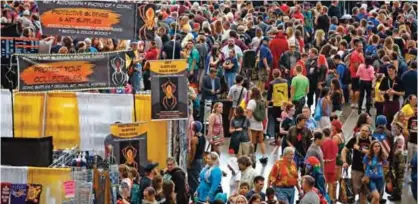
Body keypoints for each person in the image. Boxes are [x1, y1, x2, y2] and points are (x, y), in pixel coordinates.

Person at [342, 124, 375, 204]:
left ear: (369, 132)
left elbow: (374, 152)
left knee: (365, 192)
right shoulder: (355, 139)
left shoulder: (372, 140)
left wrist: (359, 148)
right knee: (354, 191)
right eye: (362, 130)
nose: (363, 132)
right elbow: (344, 150)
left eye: (366, 131)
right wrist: (344, 161)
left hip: (368, 170)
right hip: (356, 169)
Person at [246, 87, 268, 164]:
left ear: (253, 93)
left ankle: (252, 157)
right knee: (261, 141)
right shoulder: (262, 101)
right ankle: (264, 156)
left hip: (252, 124)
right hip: (260, 125)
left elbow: (249, 115)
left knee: (252, 142)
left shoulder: (251, 102)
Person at [267, 69, 288, 143]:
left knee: (276, 122)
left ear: (273, 75)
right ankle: (284, 138)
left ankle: (276, 139)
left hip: (276, 105)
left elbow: (269, 97)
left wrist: (268, 102)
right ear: (280, 74)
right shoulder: (286, 82)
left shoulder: (272, 83)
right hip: (285, 105)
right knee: (285, 121)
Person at [388, 122, 406, 202]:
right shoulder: (396, 137)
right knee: (395, 177)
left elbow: (399, 150)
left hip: (399, 159)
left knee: (398, 178)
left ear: (400, 129)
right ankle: (395, 194)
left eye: (395, 128)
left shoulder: (400, 138)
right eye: (393, 128)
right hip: (396, 159)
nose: (394, 130)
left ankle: (397, 195)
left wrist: (391, 154)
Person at [187, 121, 205, 196]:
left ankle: (195, 195)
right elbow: (203, 150)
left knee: (192, 179)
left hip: (195, 161)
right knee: (198, 177)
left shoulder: (194, 139)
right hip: (200, 160)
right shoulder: (203, 137)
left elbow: (193, 152)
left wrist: (190, 162)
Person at [349, 40, 365, 109]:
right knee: (357, 90)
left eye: (362, 46)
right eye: (360, 46)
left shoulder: (360, 53)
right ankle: (356, 103)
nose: (361, 47)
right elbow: (356, 66)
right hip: (356, 75)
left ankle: (353, 103)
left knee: (354, 89)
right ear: (355, 46)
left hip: (356, 74)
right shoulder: (355, 54)